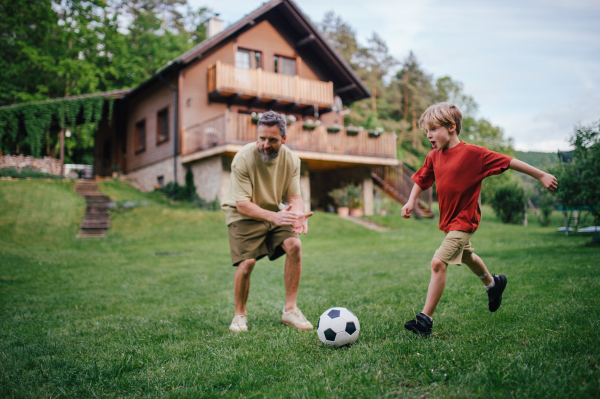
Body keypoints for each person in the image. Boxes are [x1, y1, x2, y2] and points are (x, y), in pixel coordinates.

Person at [402, 103, 558, 337]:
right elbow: (422, 180)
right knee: (466, 255)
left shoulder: (474, 154)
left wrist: (541, 175)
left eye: (433, 129)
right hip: (449, 222)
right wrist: (411, 201)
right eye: (427, 131)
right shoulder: (434, 157)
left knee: (438, 263)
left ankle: (425, 320)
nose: (429, 135)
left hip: (464, 221)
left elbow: (509, 161)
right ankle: (493, 285)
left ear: (451, 127)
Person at [221, 111, 314, 332]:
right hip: (243, 214)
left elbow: (294, 197)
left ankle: (290, 310)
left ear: (283, 139)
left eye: (272, 139)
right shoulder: (243, 158)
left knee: (294, 245)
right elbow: (242, 204)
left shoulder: (291, 159)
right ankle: (239, 316)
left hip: (274, 211)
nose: (265, 144)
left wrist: (298, 213)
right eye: (262, 138)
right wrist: (275, 216)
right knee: (247, 263)